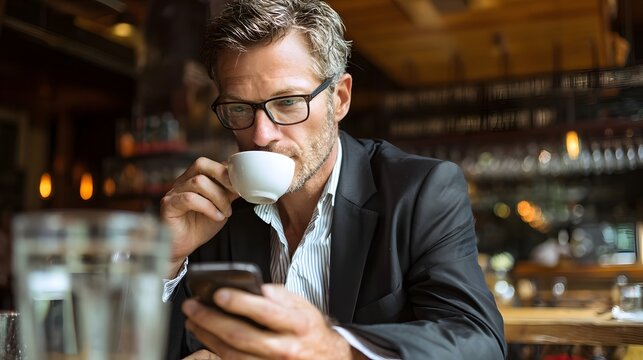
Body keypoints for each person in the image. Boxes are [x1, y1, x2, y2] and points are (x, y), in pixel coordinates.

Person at [160, 0, 507, 359]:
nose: (261, 135)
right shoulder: (213, 214)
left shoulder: (420, 191)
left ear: (339, 98)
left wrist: (336, 350)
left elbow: (479, 341)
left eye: (288, 102)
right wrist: (166, 260)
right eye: (239, 108)